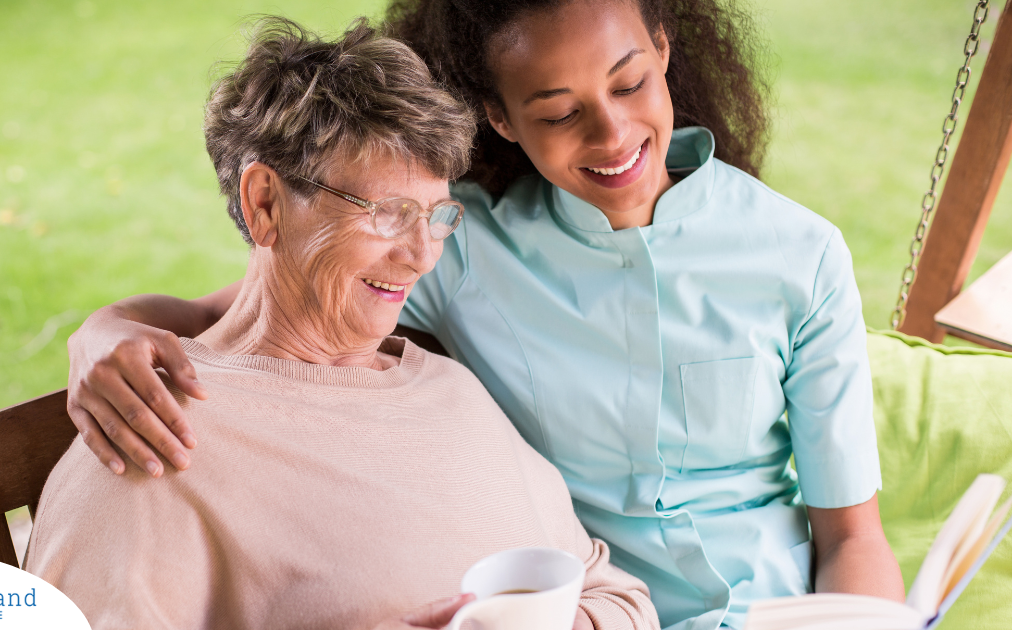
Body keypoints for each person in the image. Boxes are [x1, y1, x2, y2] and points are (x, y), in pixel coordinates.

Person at [61, 1, 907, 628]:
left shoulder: (799, 253)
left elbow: (845, 535)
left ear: (664, 50)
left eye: (631, 83)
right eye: (558, 111)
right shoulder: (467, 250)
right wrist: (100, 334)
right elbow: (249, 313)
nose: (613, 135)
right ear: (503, 119)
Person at [25, 18, 659, 630]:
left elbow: (615, 594)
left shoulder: (448, 391)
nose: (422, 255)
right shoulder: (152, 439)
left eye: (438, 216)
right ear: (265, 203)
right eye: (388, 212)